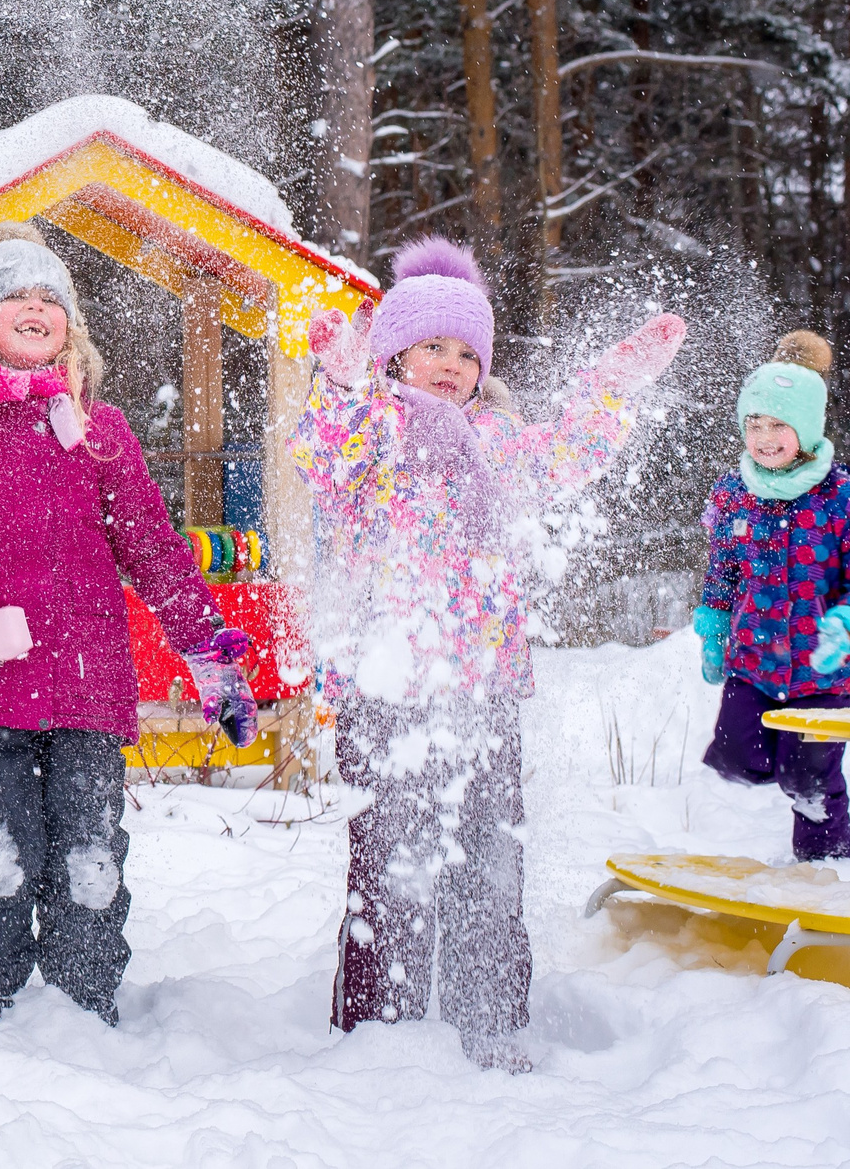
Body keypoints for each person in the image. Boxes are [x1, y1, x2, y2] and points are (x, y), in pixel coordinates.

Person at [292, 237, 685, 1071]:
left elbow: (569, 455)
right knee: (391, 870)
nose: (451, 365)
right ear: (396, 352)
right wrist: (338, 378)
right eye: (433, 346)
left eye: (468, 352)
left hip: (483, 692)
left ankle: (492, 1019)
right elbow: (325, 455)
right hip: (389, 695)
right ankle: (379, 1035)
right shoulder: (378, 428)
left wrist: (610, 390)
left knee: (488, 868)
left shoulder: (497, 443)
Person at [0, 221, 251, 1029]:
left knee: (90, 858)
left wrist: (209, 656)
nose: (35, 307)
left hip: (87, 686)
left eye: (51, 296)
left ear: (71, 325)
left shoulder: (100, 430)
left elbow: (154, 548)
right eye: (15, 294)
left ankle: (86, 1009)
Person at [694, 331, 850, 861]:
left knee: (809, 781)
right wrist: (714, 626)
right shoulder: (733, 491)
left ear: (805, 428)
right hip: (754, 659)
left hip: (824, 666)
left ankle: (825, 869)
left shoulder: (845, 496)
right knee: (734, 756)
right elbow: (724, 568)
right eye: (752, 425)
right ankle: (778, 769)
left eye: (778, 424)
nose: (763, 437)